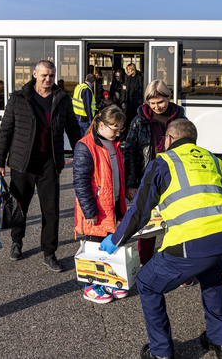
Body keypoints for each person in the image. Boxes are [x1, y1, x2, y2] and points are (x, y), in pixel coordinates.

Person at [100, 119, 222, 359]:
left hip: (192, 243)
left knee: (147, 282)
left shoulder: (164, 161)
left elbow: (140, 210)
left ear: (169, 139)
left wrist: (116, 239)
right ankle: (220, 343)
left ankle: (161, 351)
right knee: (211, 278)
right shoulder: (212, 159)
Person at [0, 60, 82, 272]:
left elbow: (73, 129)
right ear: (34, 74)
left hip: (49, 163)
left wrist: (83, 153)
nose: (47, 79)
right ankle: (17, 241)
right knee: (19, 207)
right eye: (43, 75)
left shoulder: (62, 99)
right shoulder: (19, 98)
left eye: (51, 75)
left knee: (51, 211)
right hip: (23, 163)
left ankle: (49, 252)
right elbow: (5, 131)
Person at [123, 80, 186, 267]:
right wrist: (131, 183)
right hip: (146, 178)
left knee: (177, 223)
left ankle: (177, 263)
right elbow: (130, 152)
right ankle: (145, 262)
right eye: (152, 103)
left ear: (169, 98)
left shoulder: (181, 120)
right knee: (146, 225)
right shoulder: (138, 121)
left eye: (160, 101)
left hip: (174, 180)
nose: (157, 106)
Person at [73, 105, 129, 303]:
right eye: (115, 128)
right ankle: (91, 286)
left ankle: (107, 281)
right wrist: (89, 211)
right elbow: (81, 182)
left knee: (110, 246)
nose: (117, 132)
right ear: (102, 125)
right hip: (95, 209)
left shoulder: (115, 143)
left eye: (120, 129)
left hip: (112, 204)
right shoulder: (85, 145)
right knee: (94, 247)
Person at [122, 63, 144, 131]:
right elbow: (124, 90)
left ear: (133, 69)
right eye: (127, 69)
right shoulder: (127, 78)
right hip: (129, 100)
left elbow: (142, 88)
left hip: (137, 100)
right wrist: (123, 101)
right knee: (129, 118)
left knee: (136, 117)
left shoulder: (139, 77)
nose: (128, 71)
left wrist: (143, 100)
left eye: (129, 69)